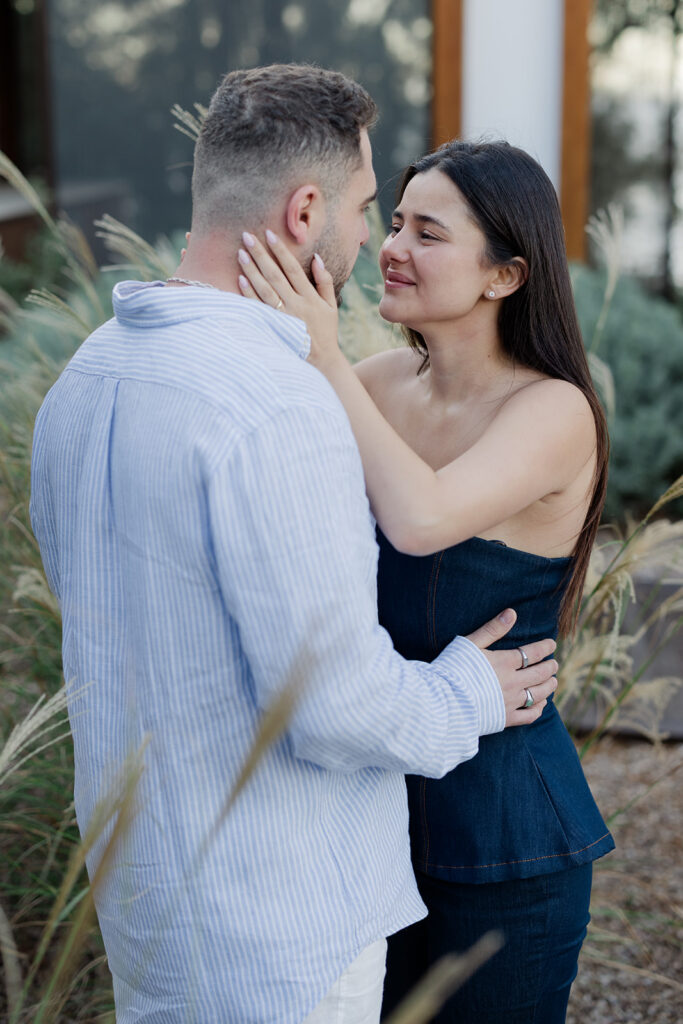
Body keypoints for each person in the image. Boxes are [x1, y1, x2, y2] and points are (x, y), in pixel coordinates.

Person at [29, 68, 559, 1024]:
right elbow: (338, 706)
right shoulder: (279, 405)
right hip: (277, 924)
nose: (375, 240)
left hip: (147, 905)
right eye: (368, 209)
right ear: (305, 210)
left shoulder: (90, 374)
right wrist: (466, 693)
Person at [235, 138, 615, 1022]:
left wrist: (326, 358)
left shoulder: (552, 408)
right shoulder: (378, 383)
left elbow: (422, 518)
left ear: (504, 276)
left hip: (503, 835)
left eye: (428, 234)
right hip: (367, 813)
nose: (393, 247)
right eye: (395, 222)